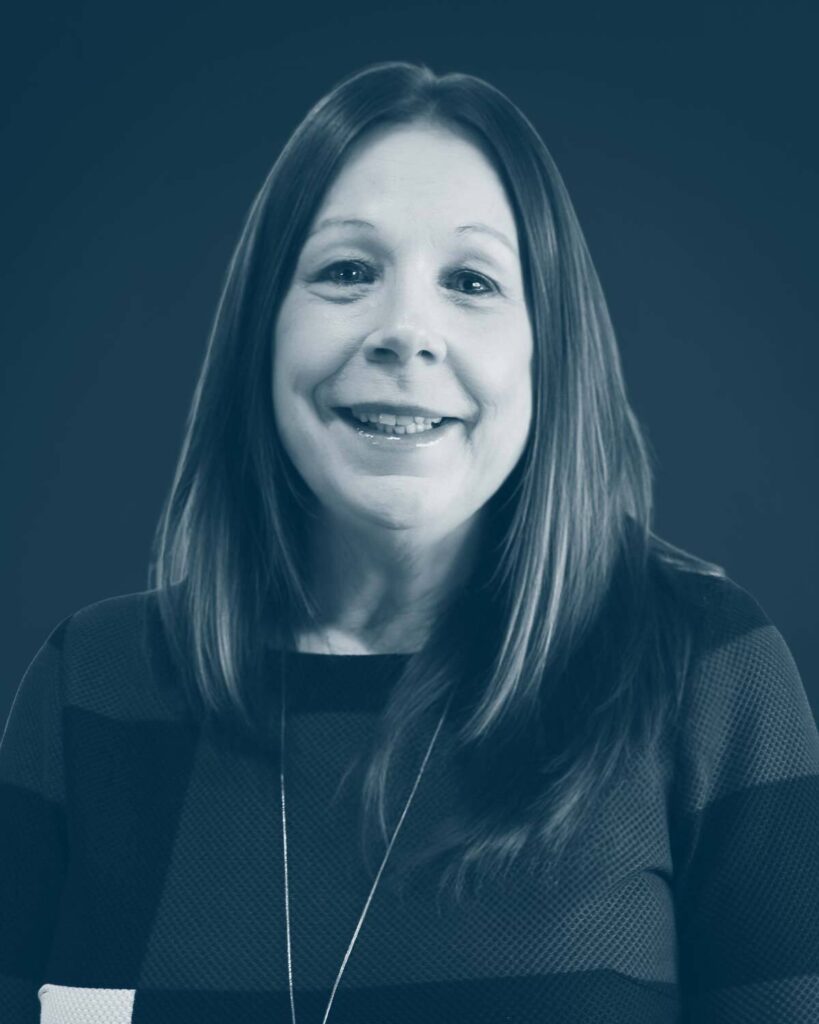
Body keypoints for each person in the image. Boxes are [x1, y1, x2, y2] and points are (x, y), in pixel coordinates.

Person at [1, 61, 817, 1024]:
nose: (406, 332)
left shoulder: (707, 675)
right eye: (347, 271)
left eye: (471, 281)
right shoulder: (88, 688)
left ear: (547, 355)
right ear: (261, 333)